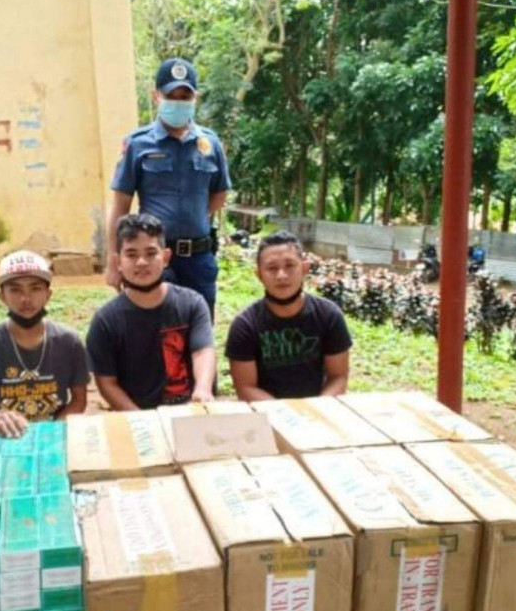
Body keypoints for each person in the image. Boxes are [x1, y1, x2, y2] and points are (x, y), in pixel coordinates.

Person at [106, 57, 231, 317]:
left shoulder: (210, 144)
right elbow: (120, 206)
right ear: (156, 96)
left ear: (195, 98)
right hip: (152, 258)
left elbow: (219, 194)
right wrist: (113, 259)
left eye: (185, 96)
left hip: (199, 259)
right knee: (152, 331)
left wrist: (193, 217)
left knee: (198, 328)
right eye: (171, 95)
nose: (178, 102)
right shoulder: (138, 144)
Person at [87, 213, 216, 410]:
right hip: (136, 416)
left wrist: (203, 390)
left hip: (188, 410)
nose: (141, 262)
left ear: (165, 257)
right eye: (131, 254)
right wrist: (141, 418)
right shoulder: (105, 320)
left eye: (150, 253)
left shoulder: (193, 304)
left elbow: (202, 351)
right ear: (118, 262)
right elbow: (107, 383)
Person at [0, 251, 88, 437]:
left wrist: (51, 432)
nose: (25, 299)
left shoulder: (69, 342)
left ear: (48, 294)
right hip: (6, 435)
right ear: (2, 296)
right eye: (15, 290)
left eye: (35, 288)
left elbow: (79, 401)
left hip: (54, 433)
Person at [225, 231, 352, 400]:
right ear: (259, 275)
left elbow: (338, 378)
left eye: (290, 266)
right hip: (266, 411)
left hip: (319, 408)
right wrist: (286, 413)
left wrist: (315, 410)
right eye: (272, 268)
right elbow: (246, 388)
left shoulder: (329, 315)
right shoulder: (245, 325)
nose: (281, 275)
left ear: (305, 268)